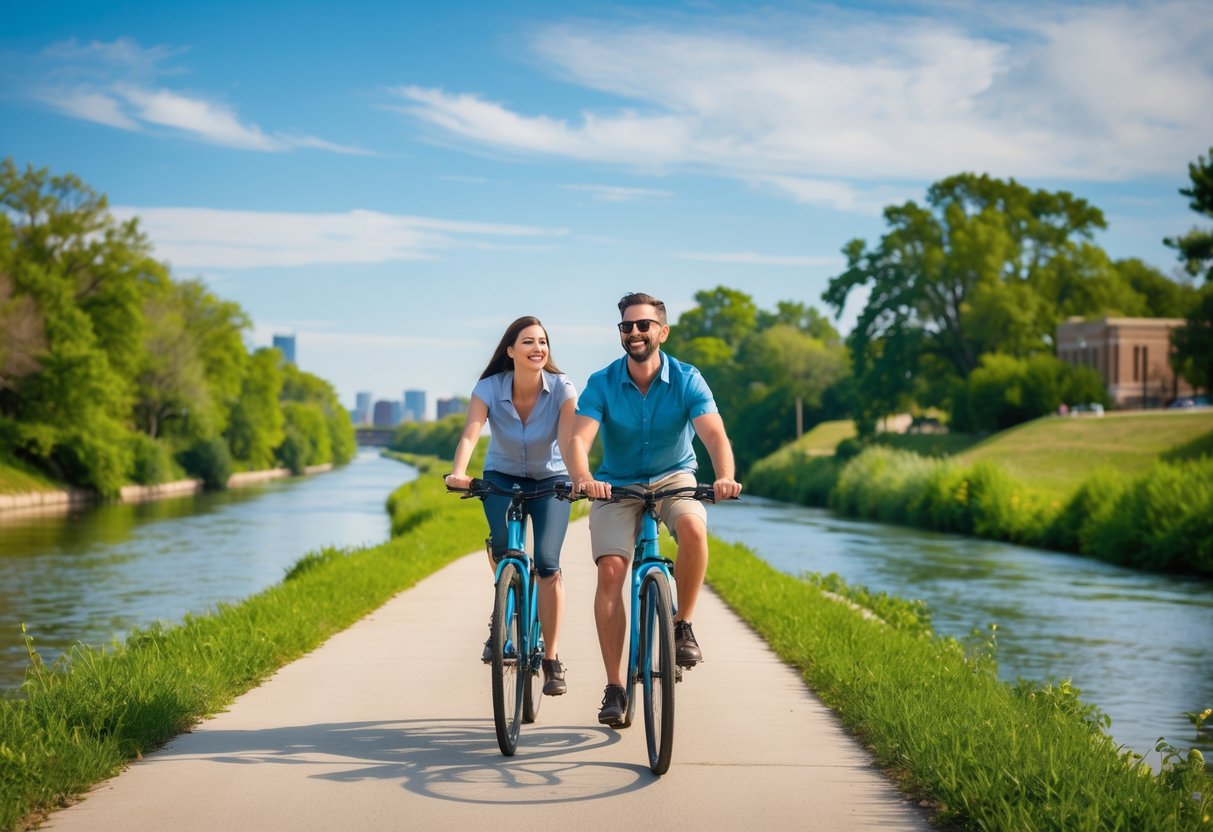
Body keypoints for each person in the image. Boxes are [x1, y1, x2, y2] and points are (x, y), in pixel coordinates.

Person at [568, 292, 742, 725]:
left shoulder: (687, 379)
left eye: (643, 325)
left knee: (694, 531)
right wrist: (582, 478)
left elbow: (715, 436)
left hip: (673, 477)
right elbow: (577, 439)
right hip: (616, 485)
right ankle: (614, 688)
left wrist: (723, 475)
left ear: (661, 331)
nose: (634, 333)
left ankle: (682, 624)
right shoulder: (602, 382)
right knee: (611, 569)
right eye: (627, 326)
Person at [445, 316, 578, 696]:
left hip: (552, 478)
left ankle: (551, 658)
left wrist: (577, 478)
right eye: (528, 342)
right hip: (501, 476)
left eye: (543, 342)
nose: (538, 348)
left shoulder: (563, 388)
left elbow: (569, 441)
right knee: (504, 550)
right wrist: (458, 472)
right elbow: (471, 431)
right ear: (510, 351)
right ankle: (503, 611)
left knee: (548, 565)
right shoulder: (489, 388)